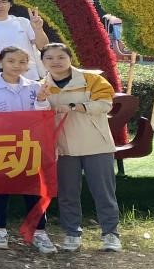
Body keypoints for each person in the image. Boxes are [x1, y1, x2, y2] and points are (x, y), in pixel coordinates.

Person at [0, 46, 58, 254]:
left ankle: (39, 232)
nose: (16, 66)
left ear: (28, 65)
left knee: (35, 190)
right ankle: (0, 230)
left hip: (31, 147)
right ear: (1, 62)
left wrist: (41, 99)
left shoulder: (35, 87)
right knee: (0, 190)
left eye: (22, 62)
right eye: (11, 61)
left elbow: (43, 116)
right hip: (1, 147)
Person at [39, 43, 121, 253]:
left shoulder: (91, 79)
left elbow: (105, 104)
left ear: (70, 58)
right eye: (49, 58)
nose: (55, 62)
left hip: (96, 144)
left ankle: (111, 234)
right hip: (63, 147)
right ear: (42, 62)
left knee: (103, 192)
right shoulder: (41, 86)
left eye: (61, 57)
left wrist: (76, 107)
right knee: (67, 194)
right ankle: (72, 233)